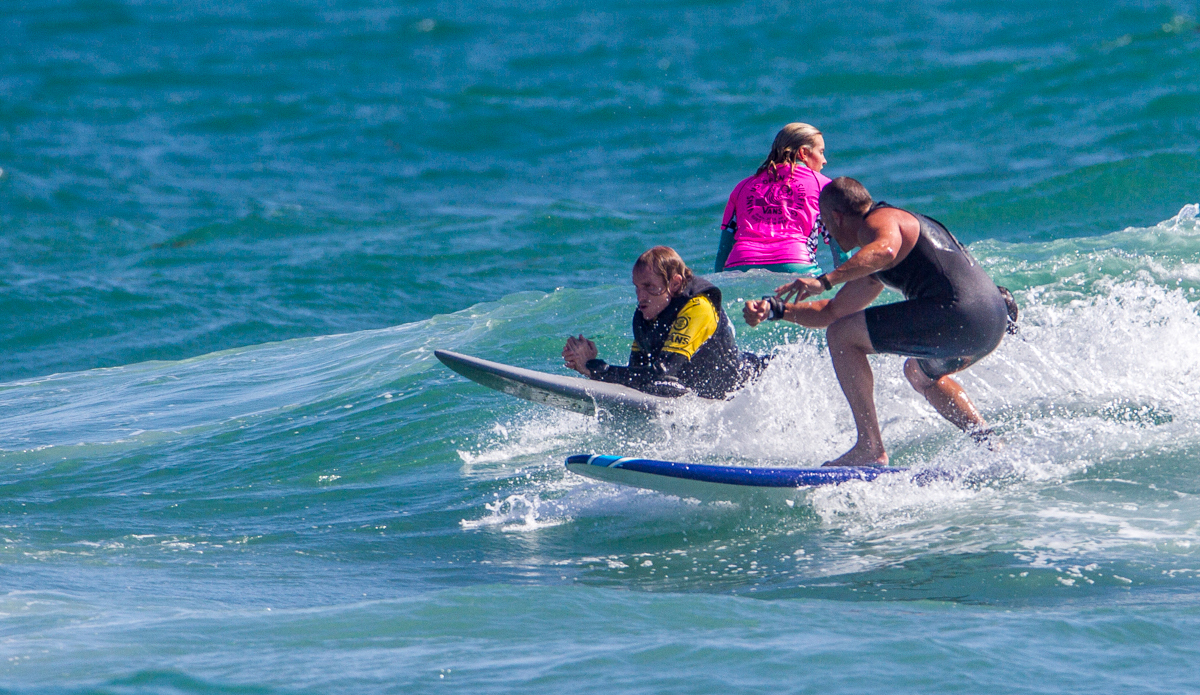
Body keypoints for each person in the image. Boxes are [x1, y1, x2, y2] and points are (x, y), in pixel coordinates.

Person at [743, 177, 1018, 466]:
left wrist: (824, 280)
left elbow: (884, 249)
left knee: (843, 337)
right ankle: (988, 443)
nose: (828, 237)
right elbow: (833, 312)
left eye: (825, 226)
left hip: (958, 312)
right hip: (989, 324)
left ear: (837, 217)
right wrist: (777, 310)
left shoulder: (881, 220)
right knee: (919, 373)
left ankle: (870, 448)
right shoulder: (878, 256)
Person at [563, 246, 767, 399]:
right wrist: (589, 367)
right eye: (637, 287)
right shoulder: (646, 315)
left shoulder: (699, 308)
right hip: (710, 395)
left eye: (649, 286)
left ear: (675, 283)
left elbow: (662, 372)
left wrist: (595, 368)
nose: (640, 296)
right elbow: (637, 375)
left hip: (753, 387)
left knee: (661, 382)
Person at [715, 123, 848, 274]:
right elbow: (840, 244)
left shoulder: (742, 187)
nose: (824, 160)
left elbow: (723, 250)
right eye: (821, 152)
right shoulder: (823, 185)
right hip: (795, 264)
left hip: (740, 264)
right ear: (803, 152)